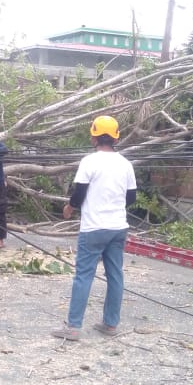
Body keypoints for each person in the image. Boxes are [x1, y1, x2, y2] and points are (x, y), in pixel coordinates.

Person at [52, 115, 136, 341]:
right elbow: (131, 197)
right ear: (115, 137)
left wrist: (70, 207)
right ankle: (110, 324)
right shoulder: (126, 164)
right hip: (118, 227)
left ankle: (73, 327)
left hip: (93, 228)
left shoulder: (89, 161)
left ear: (94, 136)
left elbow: (79, 194)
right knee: (115, 275)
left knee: (83, 275)